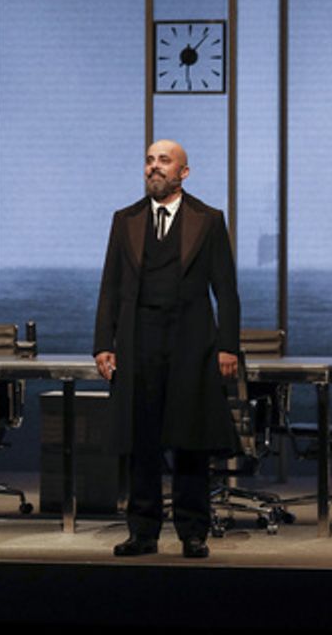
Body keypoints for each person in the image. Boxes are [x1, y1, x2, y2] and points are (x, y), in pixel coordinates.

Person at [93, 139, 240, 559]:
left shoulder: (208, 220)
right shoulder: (126, 220)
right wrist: (103, 344)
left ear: (183, 172)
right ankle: (142, 532)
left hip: (191, 343)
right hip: (138, 342)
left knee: (191, 440)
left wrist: (228, 347)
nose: (154, 167)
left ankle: (193, 532)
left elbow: (225, 289)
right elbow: (110, 285)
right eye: (149, 160)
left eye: (163, 161)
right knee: (142, 441)